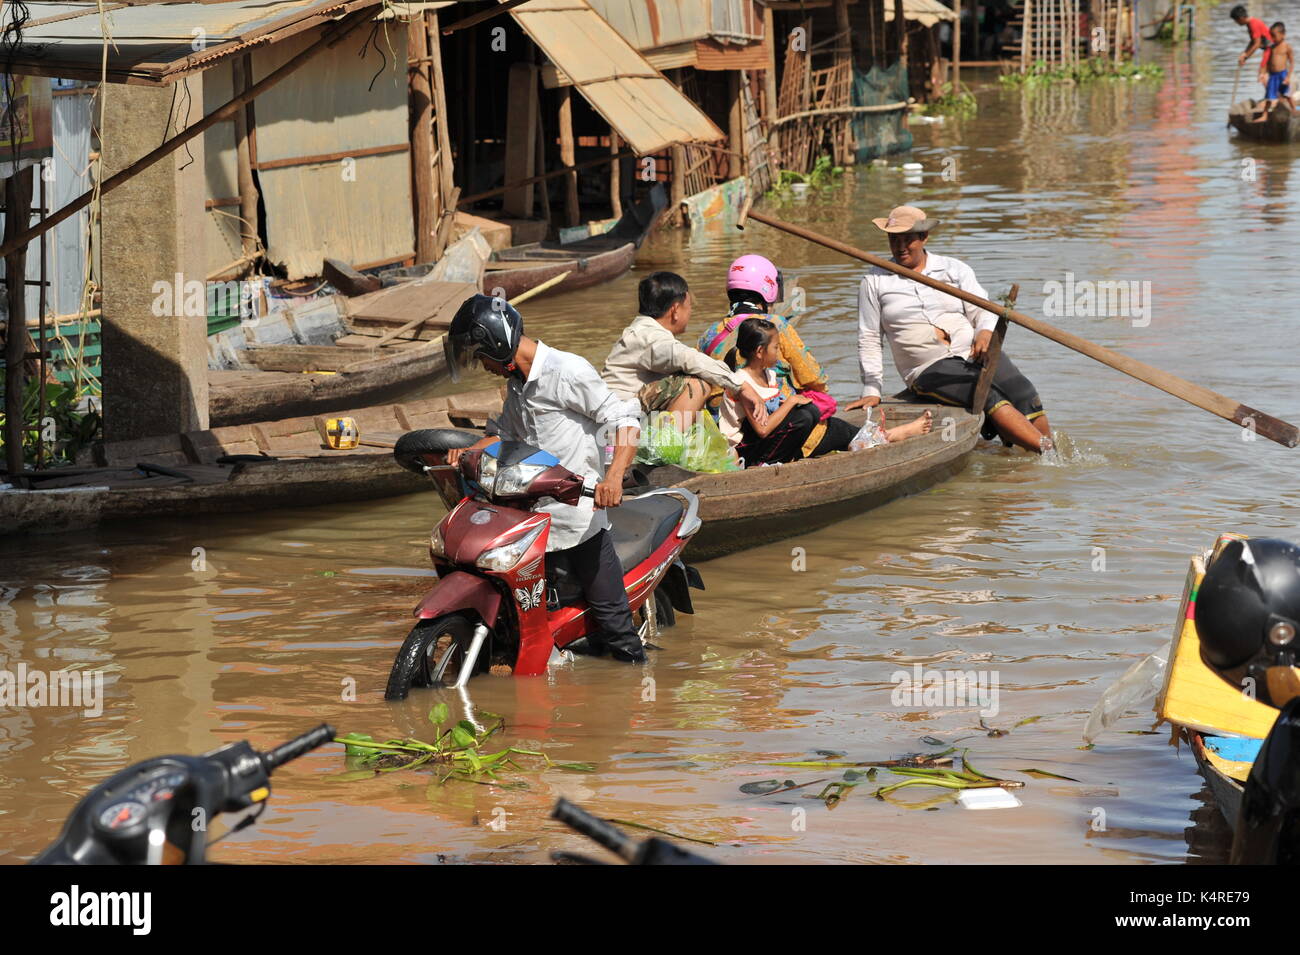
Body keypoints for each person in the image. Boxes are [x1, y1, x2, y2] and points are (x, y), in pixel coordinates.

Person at [443, 294, 647, 663]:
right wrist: (471, 450)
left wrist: (614, 477)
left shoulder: (567, 372)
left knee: (616, 626)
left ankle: (634, 686)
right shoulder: (517, 384)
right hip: (529, 521)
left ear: (496, 343)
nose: (482, 365)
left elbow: (625, 420)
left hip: (577, 519)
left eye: (481, 355)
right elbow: (506, 436)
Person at [846, 205, 1052, 454]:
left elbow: (983, 308)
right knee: (988, 395)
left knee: (1024, 392)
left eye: (907, 239)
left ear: (924, 238)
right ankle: (1047, 452)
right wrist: (871, 389)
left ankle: (1048, 456)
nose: (900, 247)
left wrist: (985, 332)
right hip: (927, 369)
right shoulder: (875, 281)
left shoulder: (953, 269)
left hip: (971, 353)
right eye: (894, 239)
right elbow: (868, 336)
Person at [721, 317, 932, 467]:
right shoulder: (742, 383)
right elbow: (762, 430)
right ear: (760, 352)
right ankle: (766, 464)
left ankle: (892, 435)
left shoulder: (769, 375)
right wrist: (792, 401)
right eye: (776, 348)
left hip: (773, 440)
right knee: (804, 415)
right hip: (749, 450)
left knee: (819, 416)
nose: (778, 352)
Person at [601, 271, 767, 429]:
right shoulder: (648, 336)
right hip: (618, 419)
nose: (690, 311)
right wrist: (741, 386)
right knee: (696, 385)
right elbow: (689, 358)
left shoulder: (643, 331)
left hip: (621, 414)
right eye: (689, 306)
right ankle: (666, 448)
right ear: (675, 310)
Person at [698, 254, 829, 401]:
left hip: (723, 418)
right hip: (773, 415)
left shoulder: (709, 335)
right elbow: (813, 377)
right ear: (769, 290)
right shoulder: (776, 325)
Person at [1255, 22, 1293, 118]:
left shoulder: (1287, 47)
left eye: (1274, 36)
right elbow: (1267, 62)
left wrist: (1288, 77)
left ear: (1283, 35)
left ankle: (1293, 110)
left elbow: (1292, 62)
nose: (1273, 38)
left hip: (1283, 74)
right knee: (1269, 96)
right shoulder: (1271, 47)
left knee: (1287, 95)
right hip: (1273, 75)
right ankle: (1264, 115)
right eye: (1271, 36)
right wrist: (1262, 74)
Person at [1233, 5, 1275, 89]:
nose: (1236, 23)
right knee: (1264, 74)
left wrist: (1246, 56)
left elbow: (1256, 44)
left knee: (1262, 75)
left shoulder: (1253, 24)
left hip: (1270, 49)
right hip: (1268, 50)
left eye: (1236, 20)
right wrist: (1244, 54)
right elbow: (1253, 41)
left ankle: (1273, 97)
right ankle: (1271, 95)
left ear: (1241, 18)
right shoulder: (1250, 24)